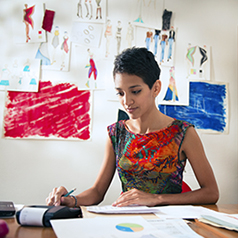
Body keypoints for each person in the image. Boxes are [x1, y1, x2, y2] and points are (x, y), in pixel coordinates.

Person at [46, 47, 219, 208]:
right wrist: (69, 200)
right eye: (120, 93)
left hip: (170, 224)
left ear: (156, 88)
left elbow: (211, 192)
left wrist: (157, 199)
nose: (127, 102)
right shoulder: (116, 134)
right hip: (128, 221)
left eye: (135, 91)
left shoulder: (183, 133)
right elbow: (97, 192)